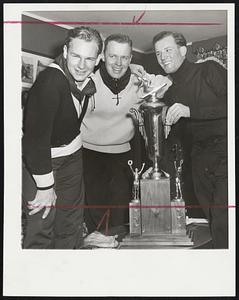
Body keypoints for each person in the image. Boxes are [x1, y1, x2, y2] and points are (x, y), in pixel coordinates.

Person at [22, 26, 103, 249]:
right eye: (76, 56)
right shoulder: (50, 81)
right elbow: (34, 141)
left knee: (70, 223)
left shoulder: (86, 78)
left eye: (89, 58)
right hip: (40, 161)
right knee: (42, 224)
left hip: (72, 156)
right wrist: (46, 187)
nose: (81, 65)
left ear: (97, 60)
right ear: (65, 51)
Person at [81, 33, 171, 234]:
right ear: (103, 56)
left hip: (123, 156)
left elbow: (166, 82)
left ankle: (118, 251)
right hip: (89, 153)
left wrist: (145, 77)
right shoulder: (88, 80)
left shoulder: (139, 82)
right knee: (94, 208)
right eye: (112, 56)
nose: (118, 63)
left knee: (122, 210)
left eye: (124, 58)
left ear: (131, 58)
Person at [153, 31, 228, 248]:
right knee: (214, 219)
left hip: (225, 152)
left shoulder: (208, 69)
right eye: (158, 53)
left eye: (167, 50)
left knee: (223, 220)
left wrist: (190, 110)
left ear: (183, 50)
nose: (162, 57)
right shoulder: (172, 91)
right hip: (199, 159)